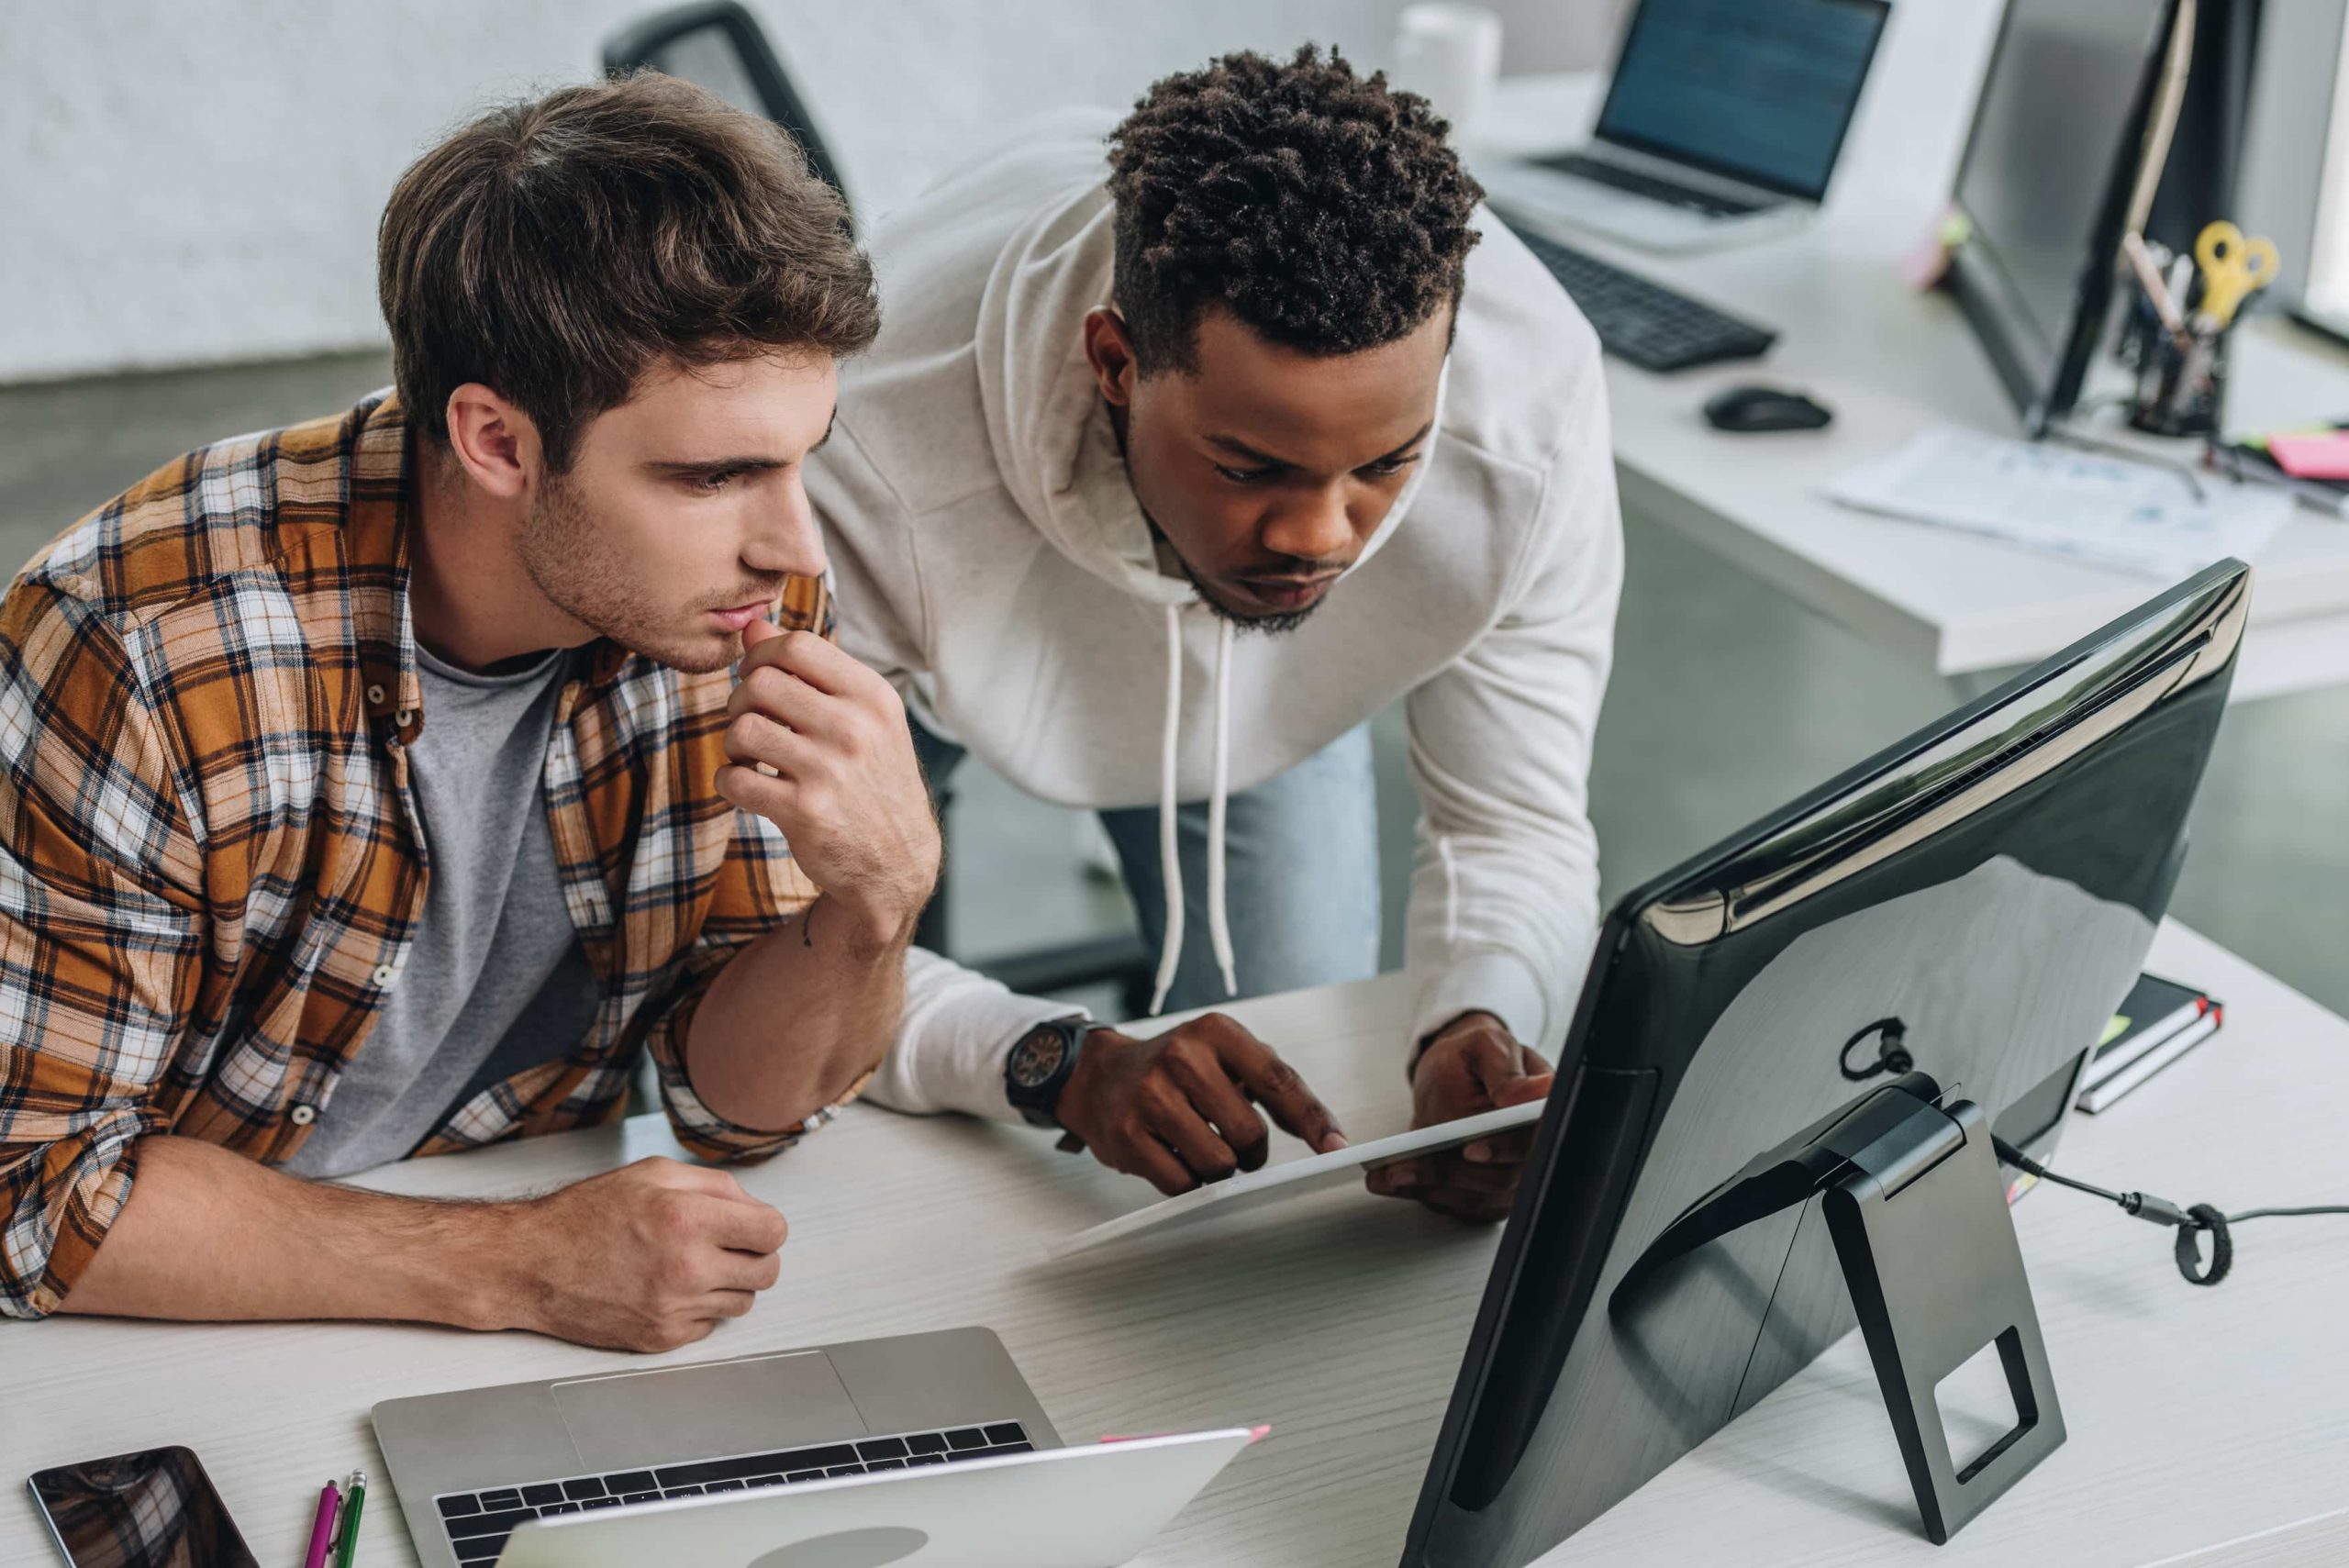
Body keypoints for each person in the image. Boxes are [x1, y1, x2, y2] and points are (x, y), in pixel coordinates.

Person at [0, 75, 941, 1351]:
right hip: (173, 1321)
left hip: (523, 1276)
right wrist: (519, 1265)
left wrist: (873, 905)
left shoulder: (730, 603)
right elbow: (34, 1193)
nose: (794, 545)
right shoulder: (145, 654)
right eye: (714, 475)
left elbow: (736, 1109)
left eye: (803, 456)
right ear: (497, 442)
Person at [822, 47, 1623, 1222]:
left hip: (1247, 673)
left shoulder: (1529, 420)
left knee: (1288, 1106)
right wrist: (1058, 1062)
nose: (1321, 536)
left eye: (1386, 462)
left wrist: (1482, 1014)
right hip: (926, 635)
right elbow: (762, 941)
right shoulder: (868, 447)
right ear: (1115, 362)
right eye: (1251, 466)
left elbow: (1512, 820)